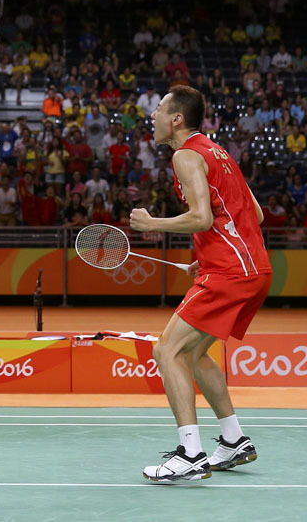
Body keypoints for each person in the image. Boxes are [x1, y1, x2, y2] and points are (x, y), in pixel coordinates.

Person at [130, 86, 271, 483]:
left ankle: (190, 453)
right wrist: (206, 255)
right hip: (250, 269)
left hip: (230, 273)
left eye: (159, 109)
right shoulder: (218, 152)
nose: (153, 115)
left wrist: (153, 224)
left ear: (176, 119)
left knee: (166, 350)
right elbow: (253, 214)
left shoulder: (185, 155)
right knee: (193, 355)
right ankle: (234, 440)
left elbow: (203, 218)